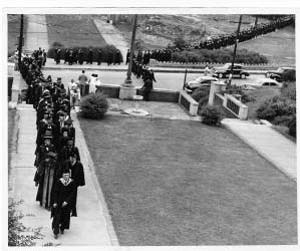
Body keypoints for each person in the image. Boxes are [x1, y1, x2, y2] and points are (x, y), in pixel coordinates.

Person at [51, 168, 76, 239]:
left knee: (65, 217)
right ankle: (56, 232)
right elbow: (55, 192)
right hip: (58, 203)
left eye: (67, 175)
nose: (66, 177)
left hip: (67, 204)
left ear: (69, 175)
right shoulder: (59, 182)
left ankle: (62, 228)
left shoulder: (72, 183)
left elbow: (73, 194)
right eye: (65, 175)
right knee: (57, 217)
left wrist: (67, 201)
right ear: (62, 175)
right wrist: (55, 202)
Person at [67, 151, 85, 217]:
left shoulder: (78, 165)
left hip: (74, 184)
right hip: (69, 182)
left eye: (71, 158)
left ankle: (74, 212)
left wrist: (78, 183)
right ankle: (70, 210)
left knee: (73, 197)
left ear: (74, 158)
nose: (69, 159)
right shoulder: (69, 163)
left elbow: (80, 175)